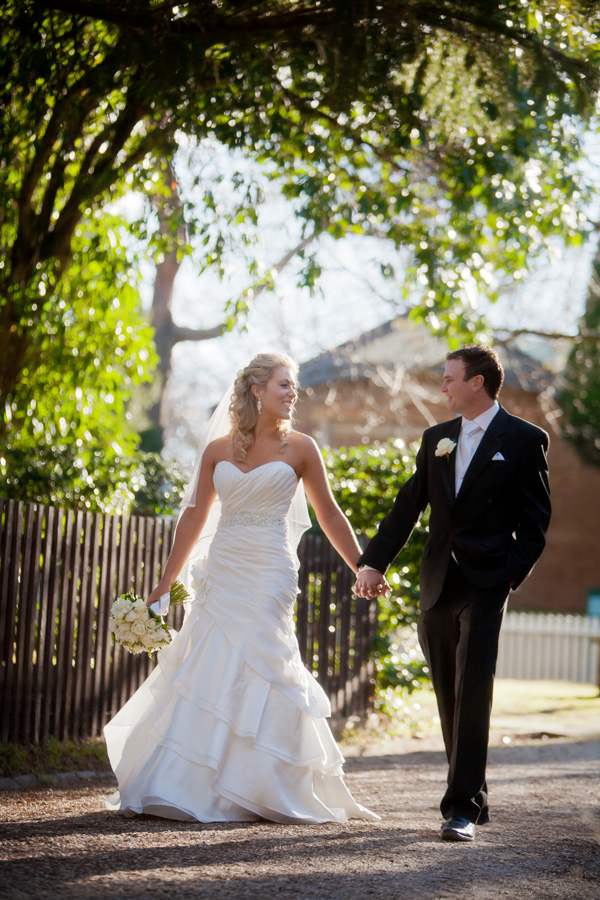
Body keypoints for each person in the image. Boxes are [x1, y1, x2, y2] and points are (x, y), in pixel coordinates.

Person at [104, 352, 378, 824]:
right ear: (257, 390)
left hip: (270, 569)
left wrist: (363, 566)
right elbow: (193, 516)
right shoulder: (217, 450)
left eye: (293, 386)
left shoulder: (302, 449)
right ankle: (191, 782)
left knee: (268, 658)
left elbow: (329, 514)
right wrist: (167, 580)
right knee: (210, 660)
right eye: (284, 385)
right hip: (225, 565)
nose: (293, 393)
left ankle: (269, 781)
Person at [354, 345, 551, 842]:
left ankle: (459, 807)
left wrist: (509, 575)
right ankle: (473, 793)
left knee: (474, 688)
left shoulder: (525, 439)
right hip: (438, 580)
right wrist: (374, 561)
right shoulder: (436, 439)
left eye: (449, 379)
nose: (442, 387)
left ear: (477, 382)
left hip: (488, 582)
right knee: (448, 691)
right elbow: (407, 507)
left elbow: (536, 520)